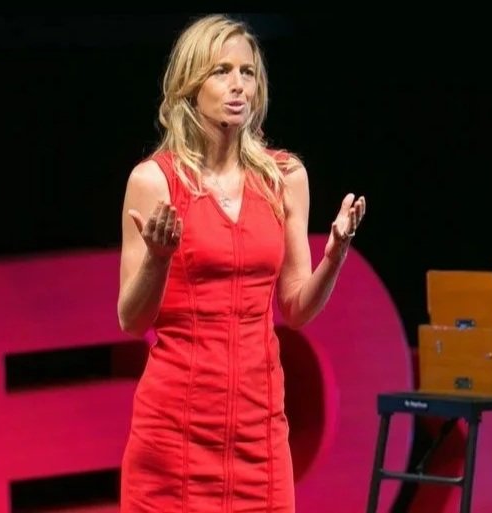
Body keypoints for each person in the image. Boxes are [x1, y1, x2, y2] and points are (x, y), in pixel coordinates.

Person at [117, 14, 366, 512]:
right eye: (221, 71)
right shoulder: (154, 181)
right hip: (174, 437)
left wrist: (335, 256)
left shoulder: (284, 176)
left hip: (260, 436)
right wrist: (159, 260)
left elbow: (295, 307)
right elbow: (132, 319)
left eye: (247, 72)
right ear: (190, 85)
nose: (238, 86)